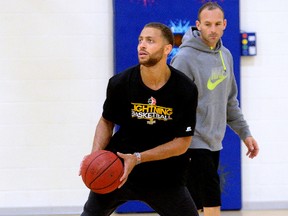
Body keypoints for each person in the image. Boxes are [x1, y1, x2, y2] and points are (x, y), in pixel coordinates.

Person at [80, 22, 199, 216]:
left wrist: (138, 158)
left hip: (165, 176)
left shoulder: (184, 89)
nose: (142, 45)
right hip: (117, 170)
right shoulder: (120, 83)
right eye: (140, 40)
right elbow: (106, 121)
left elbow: (182, 143)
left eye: (150, 41)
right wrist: (96, 156)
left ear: (167, 48)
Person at [170, 2, 259, 216]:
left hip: (214, 142)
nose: (212, 29)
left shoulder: (226, 56)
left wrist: (245, 134)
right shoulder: (184, 58)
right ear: (198, 25)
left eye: (217, 24)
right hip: (191, 142)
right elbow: (172, 104)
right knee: (211, 200)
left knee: (192, 205)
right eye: (207, 24)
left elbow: (230, 102)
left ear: (225, 25)